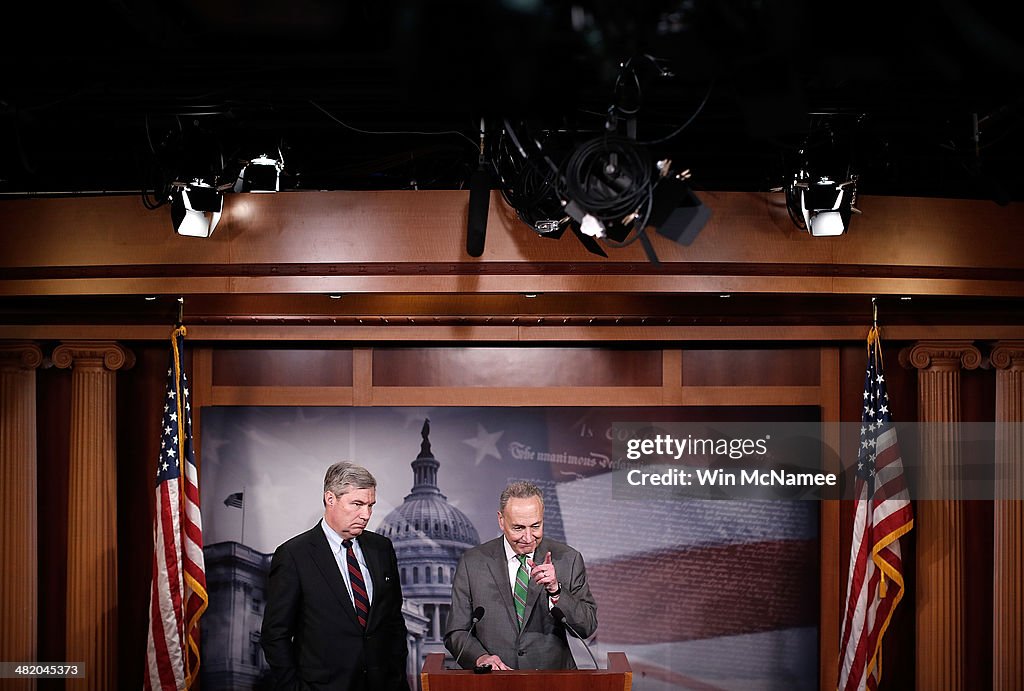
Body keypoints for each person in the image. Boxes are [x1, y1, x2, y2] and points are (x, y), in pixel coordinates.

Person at [261, 462, 410, 691]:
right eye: (357, 504)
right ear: (330, 499)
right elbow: (275, 635)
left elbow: (393, 623)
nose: (366, 514)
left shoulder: (382, 548)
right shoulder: (293, 555)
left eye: (371, 505)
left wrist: (398, 679)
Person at [444, 480, 598, 670]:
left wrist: (556, 591)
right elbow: (457, 631)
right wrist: (481, 658)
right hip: (493, 683)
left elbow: (587, 627)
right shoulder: (472, 563)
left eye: (535, 526)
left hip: (553, 682)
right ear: (501, 520)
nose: (528, 537)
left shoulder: (568, 559)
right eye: (518, 528)